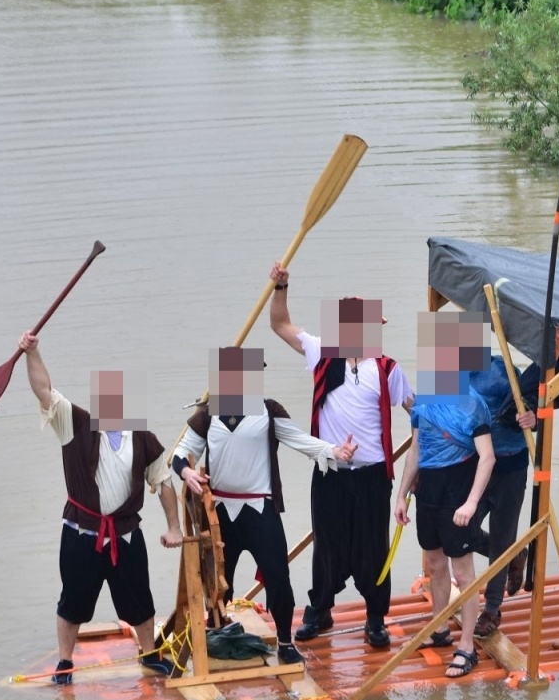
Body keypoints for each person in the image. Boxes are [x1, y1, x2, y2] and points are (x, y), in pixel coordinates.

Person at [169, 346, 357, 666]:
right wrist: (186, 472)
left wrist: (333, 451)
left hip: (260, 510)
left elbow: (301, 440)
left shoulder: (268, 411)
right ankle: (215, 631)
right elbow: (180, 454)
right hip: (220, 516)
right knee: (216, 582)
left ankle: (285, 641)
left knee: (278, 578)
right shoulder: (208, 416)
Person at [20, 332, 182, 685]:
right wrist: (33, 352)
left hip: (125, 535)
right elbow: (44, 389)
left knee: (140, 600)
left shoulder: (141, 437)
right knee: (73, 602)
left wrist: (174, 527)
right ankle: (65, 662)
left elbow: (164, 482)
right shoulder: (73, 424)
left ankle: (149, 654)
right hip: (82, 535)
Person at [268, 262, 414, 649]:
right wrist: (281, 287)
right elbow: (279, 324)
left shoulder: (387, 369)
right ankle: (320, 610)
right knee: (327, 545)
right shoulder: (322, 354)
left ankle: (375, 618)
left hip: (372, 476)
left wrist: (444, 436)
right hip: (330, 472)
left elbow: (418, 413)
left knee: (373, 548)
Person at [394, 310, 495, 678]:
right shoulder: (425, 401)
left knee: (463, 572)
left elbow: (487, 456)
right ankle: (439, 628)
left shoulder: (473, 403)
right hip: (430, 492)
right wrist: (402, 494)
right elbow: (416, 451)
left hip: (458, 490)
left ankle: (467, 646)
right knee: (434, 564)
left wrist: (471, 502)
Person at [465, 352, 538, 637]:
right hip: (475, 466)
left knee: (500, 539)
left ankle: (492, 609)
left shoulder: (503, 368)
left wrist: (532, 417)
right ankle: (515, 555)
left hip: (510, 466)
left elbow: (532, 402)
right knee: (461, 531)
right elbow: (436, 418)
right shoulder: (446, 372)